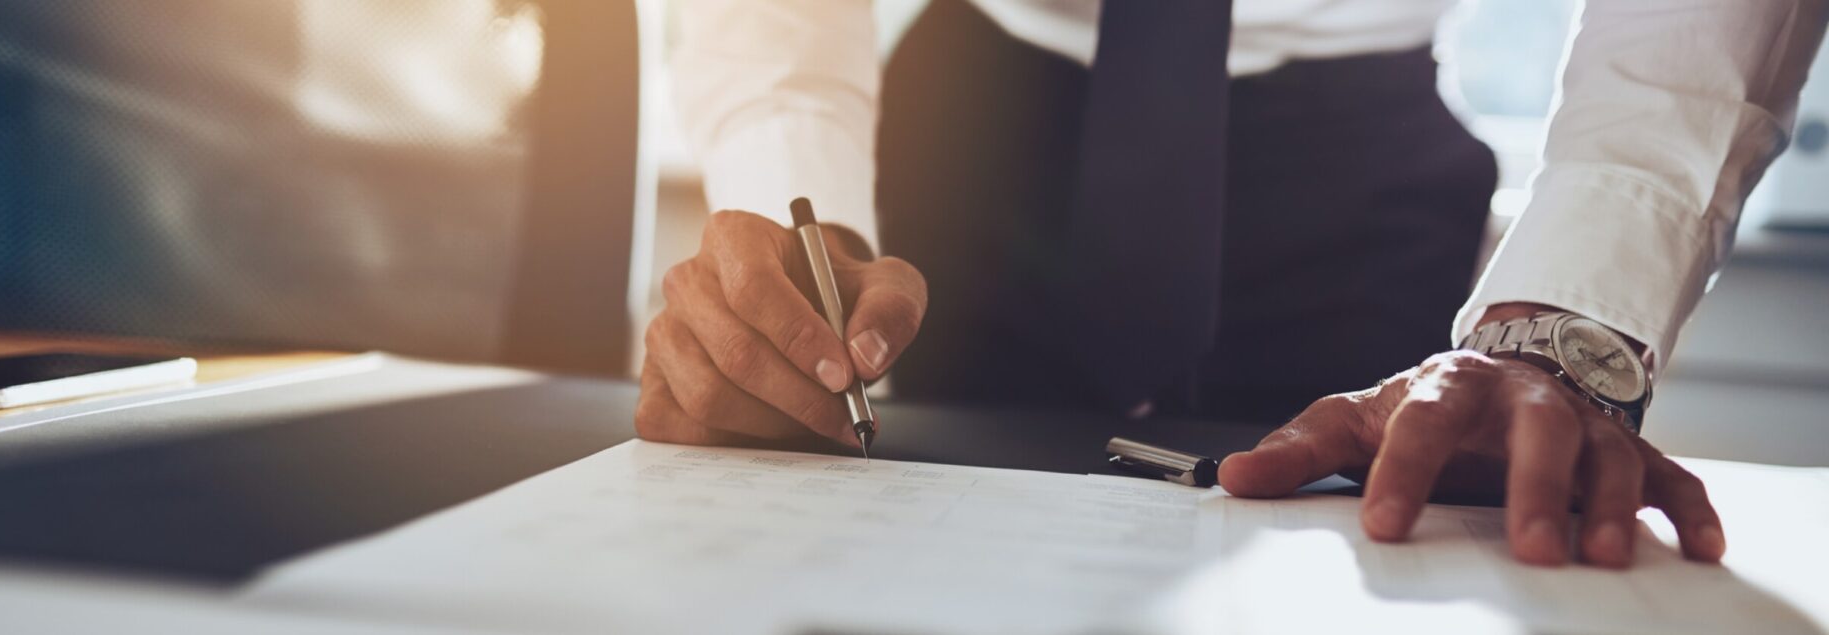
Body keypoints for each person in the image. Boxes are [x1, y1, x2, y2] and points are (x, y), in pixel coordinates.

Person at [638, 0, 1827, 570]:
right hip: (979, 122)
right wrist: (791, 202)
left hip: (1361, 157)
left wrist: (1565, 323)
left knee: (1373, 557)